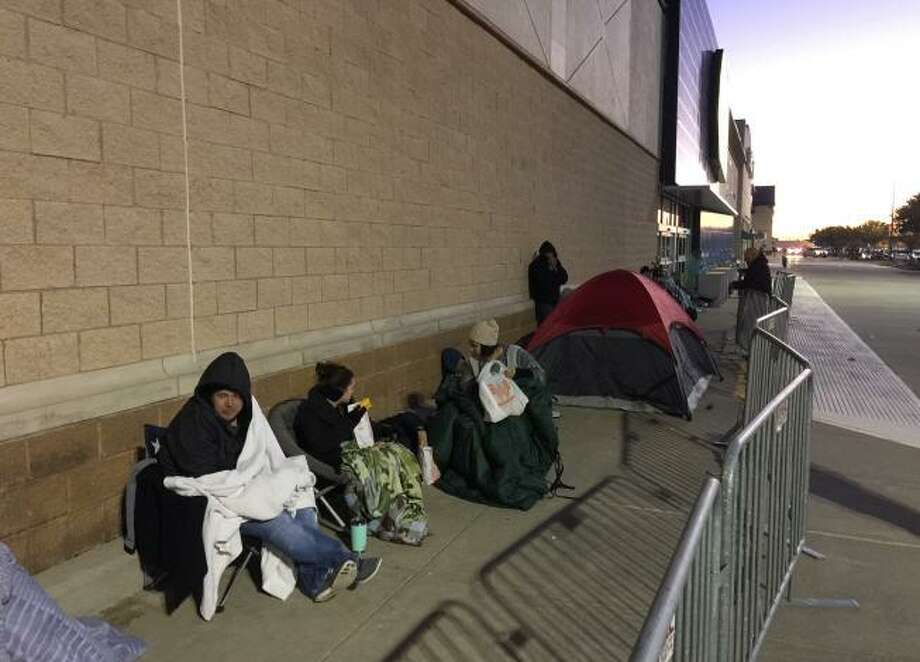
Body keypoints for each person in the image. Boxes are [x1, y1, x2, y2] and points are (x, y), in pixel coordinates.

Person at [159, 352, 380, 617]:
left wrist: (267, 481)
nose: (230, 404)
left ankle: (314, 581)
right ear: (210, 395)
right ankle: (345, 559)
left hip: (247, 483)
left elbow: (262, 453)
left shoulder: (246, 417)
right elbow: (209, 477)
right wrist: (256, 489)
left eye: (236, 396)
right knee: (278, 519)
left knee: (301, 499)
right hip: (214, 498)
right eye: (222, 396)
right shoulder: (193, 423)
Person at [294, 362, 429, 546]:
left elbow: (353, 428)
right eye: (350, 388)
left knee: (397, 453)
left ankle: (403, 509)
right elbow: (327, 443)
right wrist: (356, 422)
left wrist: (366, 424)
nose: (352, 392)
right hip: (330, 459)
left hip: (349, 449)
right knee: (382, 464)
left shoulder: (338, 405)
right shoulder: (310, 412)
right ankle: (383, 517)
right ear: (338, 391)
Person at [731, 247, 773, 354]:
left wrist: (734, 285)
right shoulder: (759, 264)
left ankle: (750, 349)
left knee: (751, 323)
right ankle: (751, 348)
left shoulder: (757, 266)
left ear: (752, 256)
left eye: (747, 258)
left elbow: (749, 282)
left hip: (757, 297)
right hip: (760, 296)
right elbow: (751, 276)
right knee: (754, 323)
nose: (746, 260)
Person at [528, 241, 569, 324]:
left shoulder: (555, 263)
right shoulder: (536, 265)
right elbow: (542, 284)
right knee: (546, 326)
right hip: (543, 302)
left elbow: (564, 278)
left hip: (554, 300)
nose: (551, 258)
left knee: (554, 326)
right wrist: (551, 270)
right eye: (548, 255)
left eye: (552, 255)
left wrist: (555, 268)